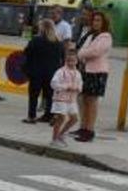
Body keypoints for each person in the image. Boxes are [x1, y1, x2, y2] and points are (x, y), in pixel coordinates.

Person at [74, 11, 113, 142]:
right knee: (83, 99)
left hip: (97, 72)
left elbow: (94, 52)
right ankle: (83, 127)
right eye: (94, 20)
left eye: (98, 20)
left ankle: (90, 130)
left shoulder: (105, 36)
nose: (96, 23)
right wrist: (81, 52)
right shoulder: (90, 34)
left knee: (91, 101)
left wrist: (80, 53)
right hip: (85, 71)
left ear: (104, 23)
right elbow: (80, 47)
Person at [23, 18, 64, 124]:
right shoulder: (58, 42)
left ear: (42, 28)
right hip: (52, 73)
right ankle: (49, 115)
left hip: (36, 72)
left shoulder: (36, 40)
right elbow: (62, 57)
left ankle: (31, 116)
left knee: (34, 95)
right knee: (50, 95)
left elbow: (27, 52)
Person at [48, 49, 81, 148]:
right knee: (61, 118)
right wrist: (66, 87)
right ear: (65, 60)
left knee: (74, 119)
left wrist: (78, 88)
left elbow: (80, 84)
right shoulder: (60, 72)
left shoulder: (78, 73)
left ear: (77, 61)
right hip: (60, 99)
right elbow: (53, 83)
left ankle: (61, 134)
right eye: (69, 61)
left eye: (73, 61)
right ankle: (54, 139)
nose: (71, 63)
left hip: (72, 100)